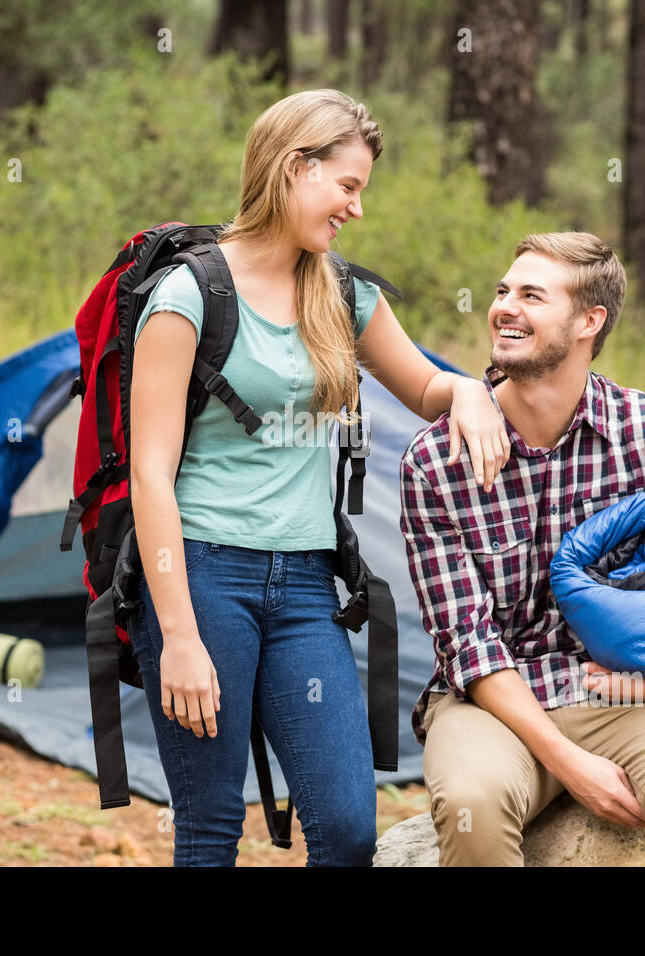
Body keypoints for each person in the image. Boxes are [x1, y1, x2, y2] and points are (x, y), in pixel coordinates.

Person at [126, 89, 509, 867]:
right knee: (208, 831)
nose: (355, 210)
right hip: (202, 576)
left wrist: (467, 389)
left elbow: (425, 387)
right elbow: (149, 476)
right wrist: (179, 637)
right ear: (296, 168)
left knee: (345, 828)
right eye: (348, 185)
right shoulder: (186, 297)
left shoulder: (343, 293)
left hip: (306, 586)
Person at [399, 231, 645, 866]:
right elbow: (464, 642)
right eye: (503, 291)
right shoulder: (434, 460)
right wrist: (573, 766)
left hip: (627, 694)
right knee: (473, 807)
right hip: (493, 704)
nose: (504, 307)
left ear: (589, 321)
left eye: (531, 295)